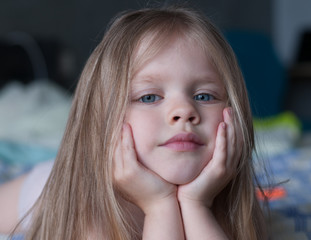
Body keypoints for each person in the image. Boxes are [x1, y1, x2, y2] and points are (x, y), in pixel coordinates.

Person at [0, 5, 268, 239]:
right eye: (149, 97)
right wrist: (160, 205)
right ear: (103, 120)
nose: (184, 111)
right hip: (42, 187)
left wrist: (196, 203)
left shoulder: (229, 201)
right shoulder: (90, 212)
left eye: (204, 95)